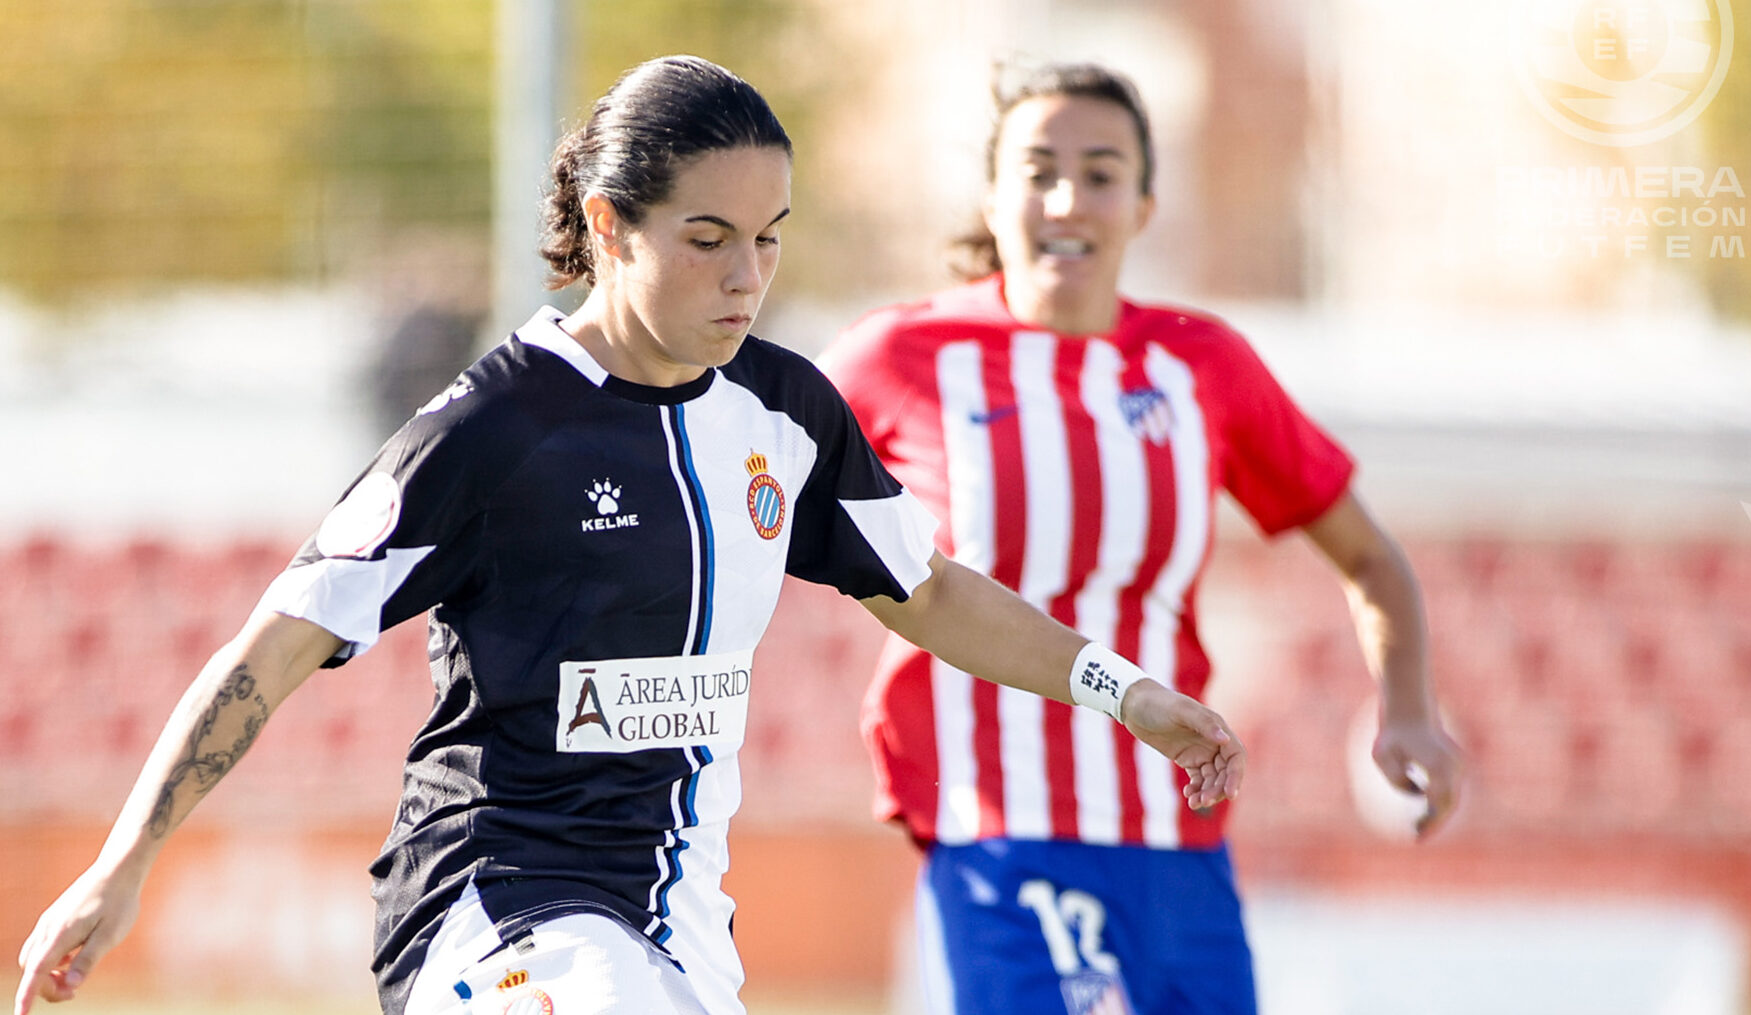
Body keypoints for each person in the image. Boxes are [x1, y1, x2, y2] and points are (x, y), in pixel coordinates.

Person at [11, 56, 1246, 1015]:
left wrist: (1127, 692)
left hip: (677, 925)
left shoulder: (784, 411)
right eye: (706, 240)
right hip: (492, 904)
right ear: (609, 226)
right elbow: (271, 648)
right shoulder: (493, 428)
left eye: (768, 240)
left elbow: (928, 594)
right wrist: (121, 867)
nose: (745, 278)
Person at [819, 62, 1464, 1015]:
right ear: (994, 198)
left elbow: (1370, 557)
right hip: (995, 836)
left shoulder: (1203, 366)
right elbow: (745, 481)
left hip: (1179, 837)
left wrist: (1408, 708)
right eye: (1038, 170)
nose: (1067, 197)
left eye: (1102, 171)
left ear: (1145, 204)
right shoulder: (897, 356)